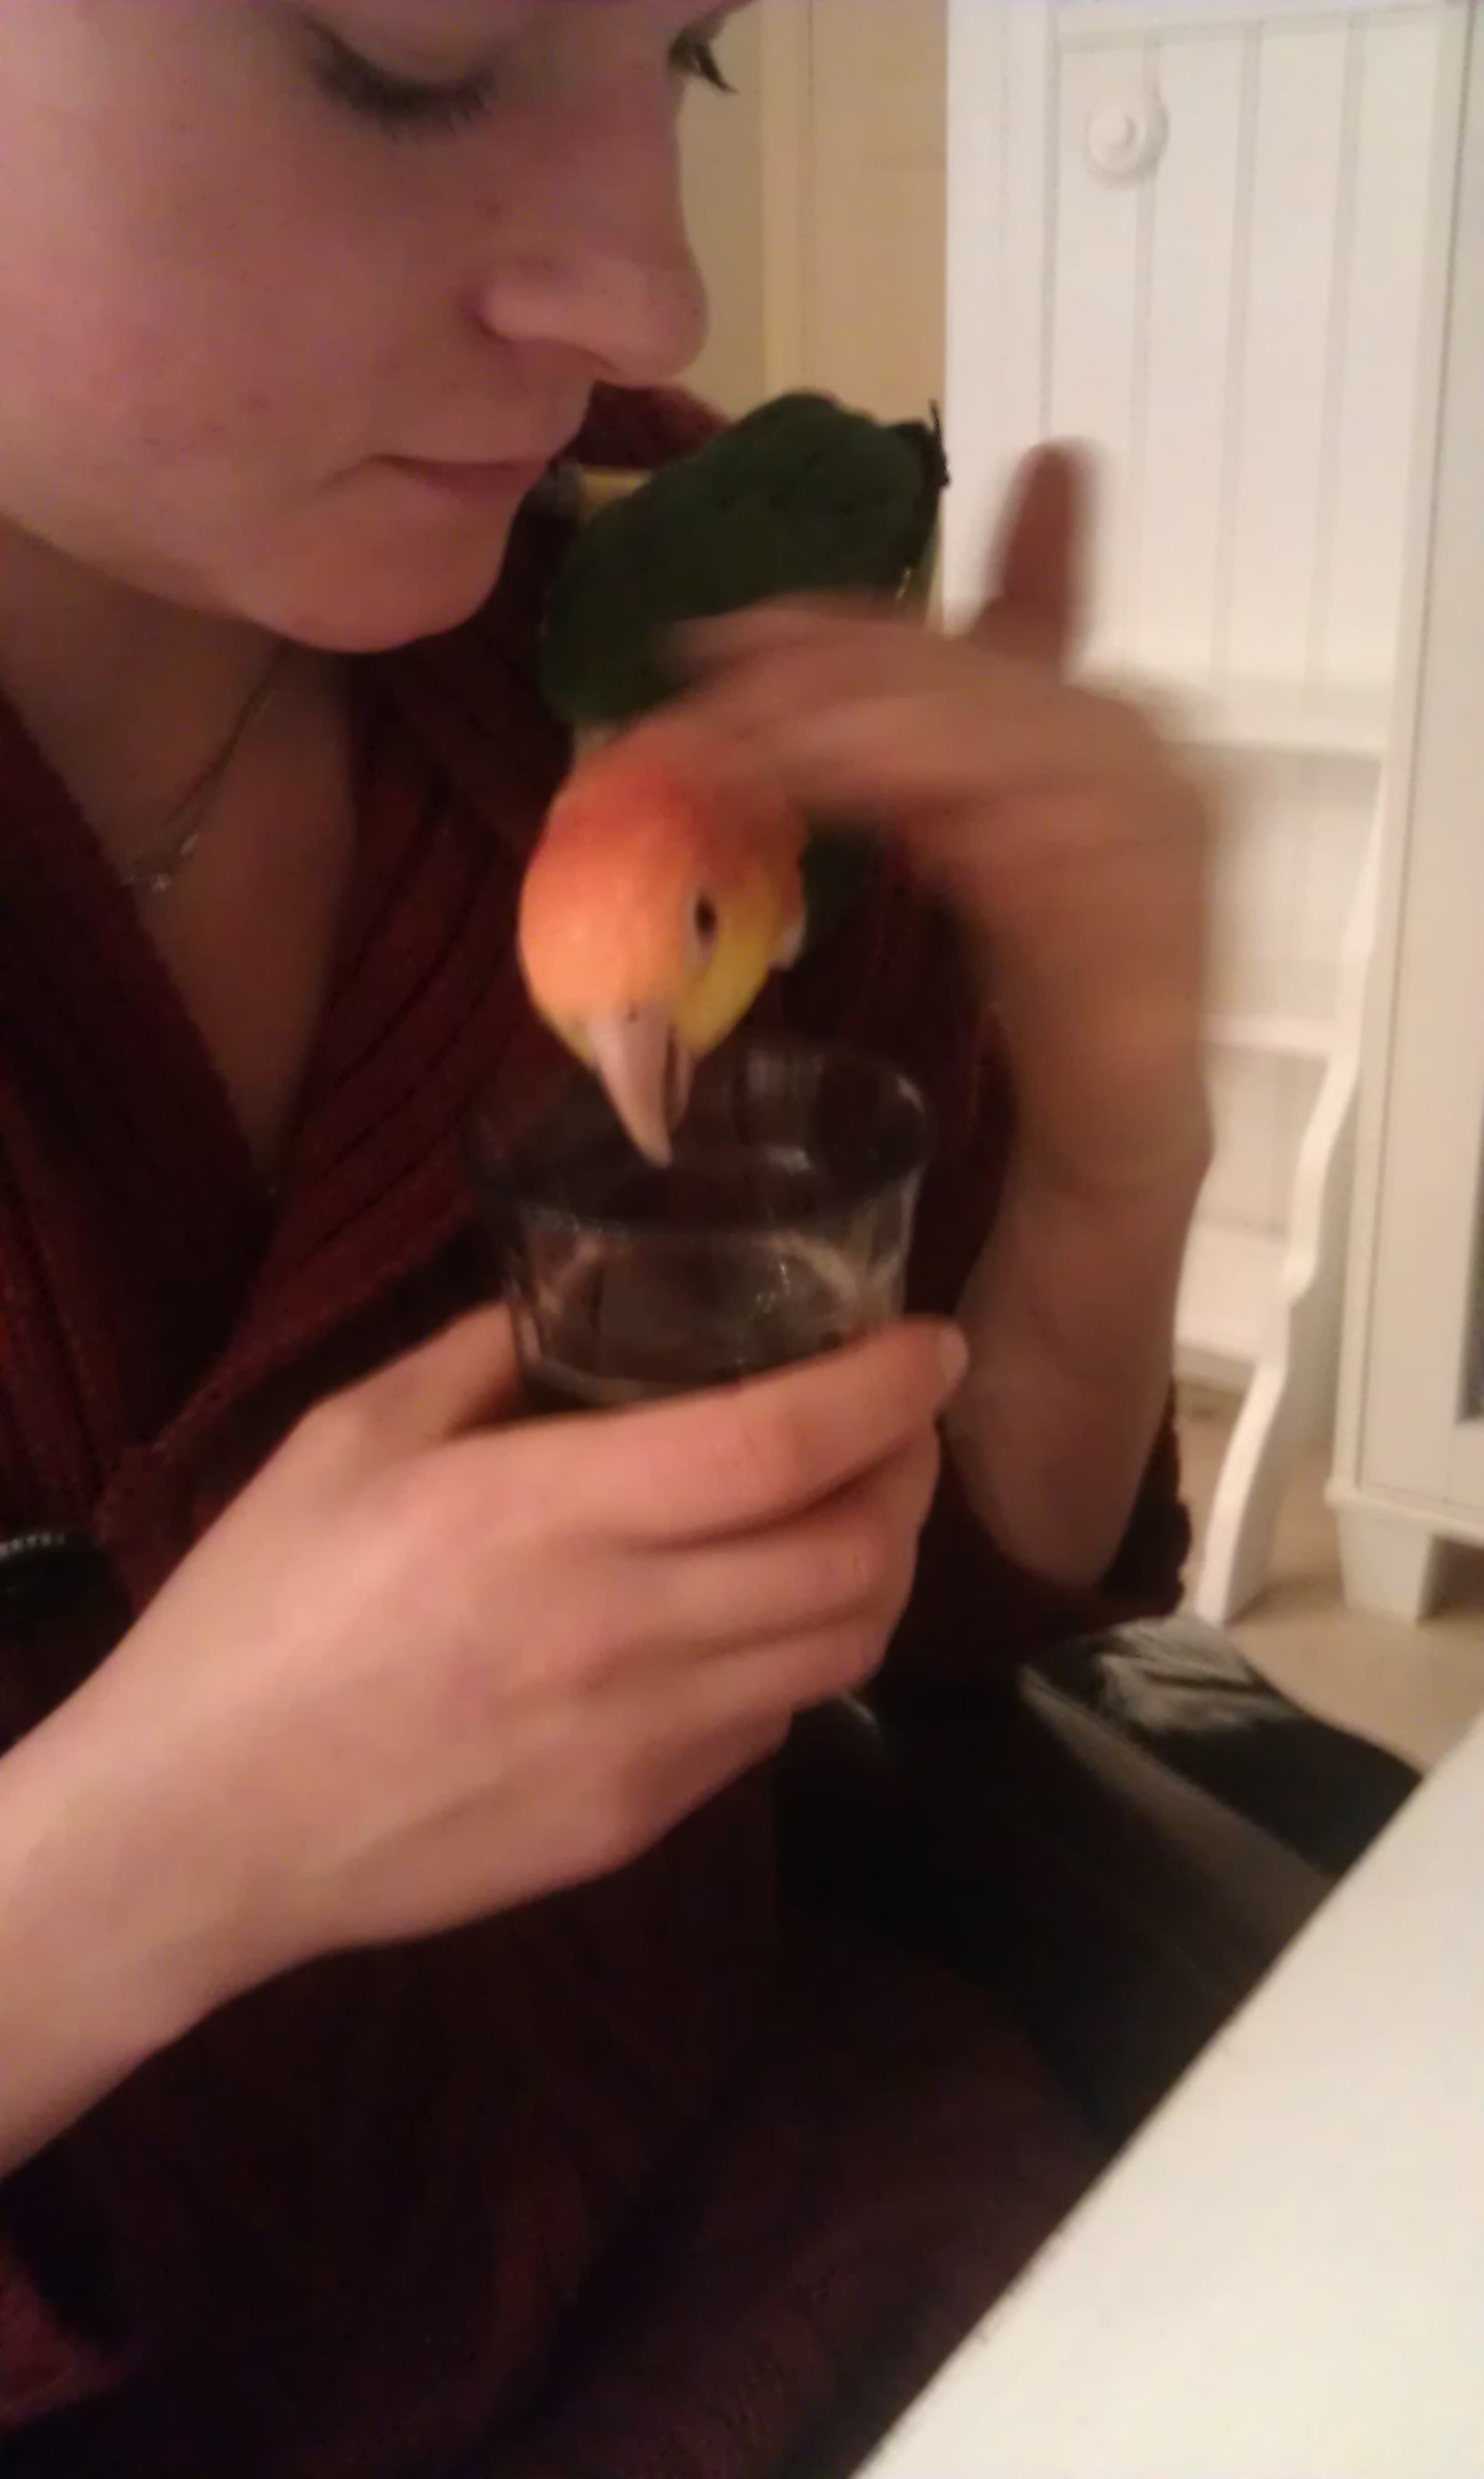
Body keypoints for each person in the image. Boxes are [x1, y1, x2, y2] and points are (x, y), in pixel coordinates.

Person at [0, 4, 1209, 2472]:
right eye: (406, 56)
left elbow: (965, 1603)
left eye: (692, 55)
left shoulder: (683, 664)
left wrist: (1111, 1145)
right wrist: (132, 1866)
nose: (656, 293)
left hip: (844, 2258)